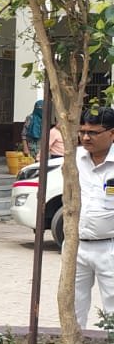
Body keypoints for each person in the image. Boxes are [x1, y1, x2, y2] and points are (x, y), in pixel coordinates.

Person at [74, 108, 114, 329]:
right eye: (83, 131)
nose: (86, 137)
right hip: (76, 246)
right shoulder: (74, 160)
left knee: (112, 305)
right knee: (73, 304)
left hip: (110, 247)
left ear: (112, 134)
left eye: (94, 132)